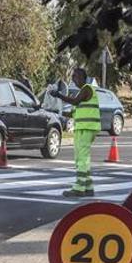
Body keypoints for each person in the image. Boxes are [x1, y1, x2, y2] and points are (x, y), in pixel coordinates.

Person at [50, 67, 101, 197]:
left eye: (76, 76)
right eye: (73, 77)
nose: (73, 79)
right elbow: (74, 112)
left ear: (84, 78)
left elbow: (75, 102)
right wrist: (56, 112)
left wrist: (59, 95)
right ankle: (88, 186)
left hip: (87, 127)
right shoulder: (82, 92)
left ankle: (79, 188)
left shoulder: (87, 89)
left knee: (82, 157)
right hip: (83, 127)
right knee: (81, 156)